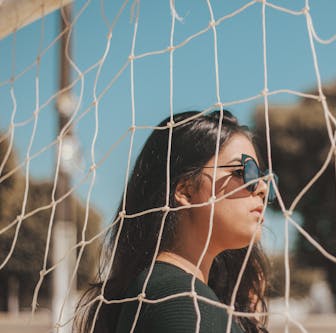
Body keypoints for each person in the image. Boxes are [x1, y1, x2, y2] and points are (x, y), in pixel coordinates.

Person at [74, 110, 277, 333]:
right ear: (186, 190)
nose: (262, 188)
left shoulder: (176, 292)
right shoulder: (178, 298)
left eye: (264, 177)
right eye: (243, 171)